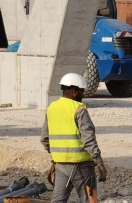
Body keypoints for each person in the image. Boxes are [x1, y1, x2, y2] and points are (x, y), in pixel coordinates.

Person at [41, 73, 107, 203]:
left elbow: (44, 138)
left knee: (58, 200)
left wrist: (58, 154)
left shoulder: (52, 108)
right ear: (75, 91)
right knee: (89, 200)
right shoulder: (79, 109)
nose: (83, 95)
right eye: (82, 91)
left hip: (60, 165)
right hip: (81, 166)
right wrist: (99, 162)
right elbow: (88, 139)